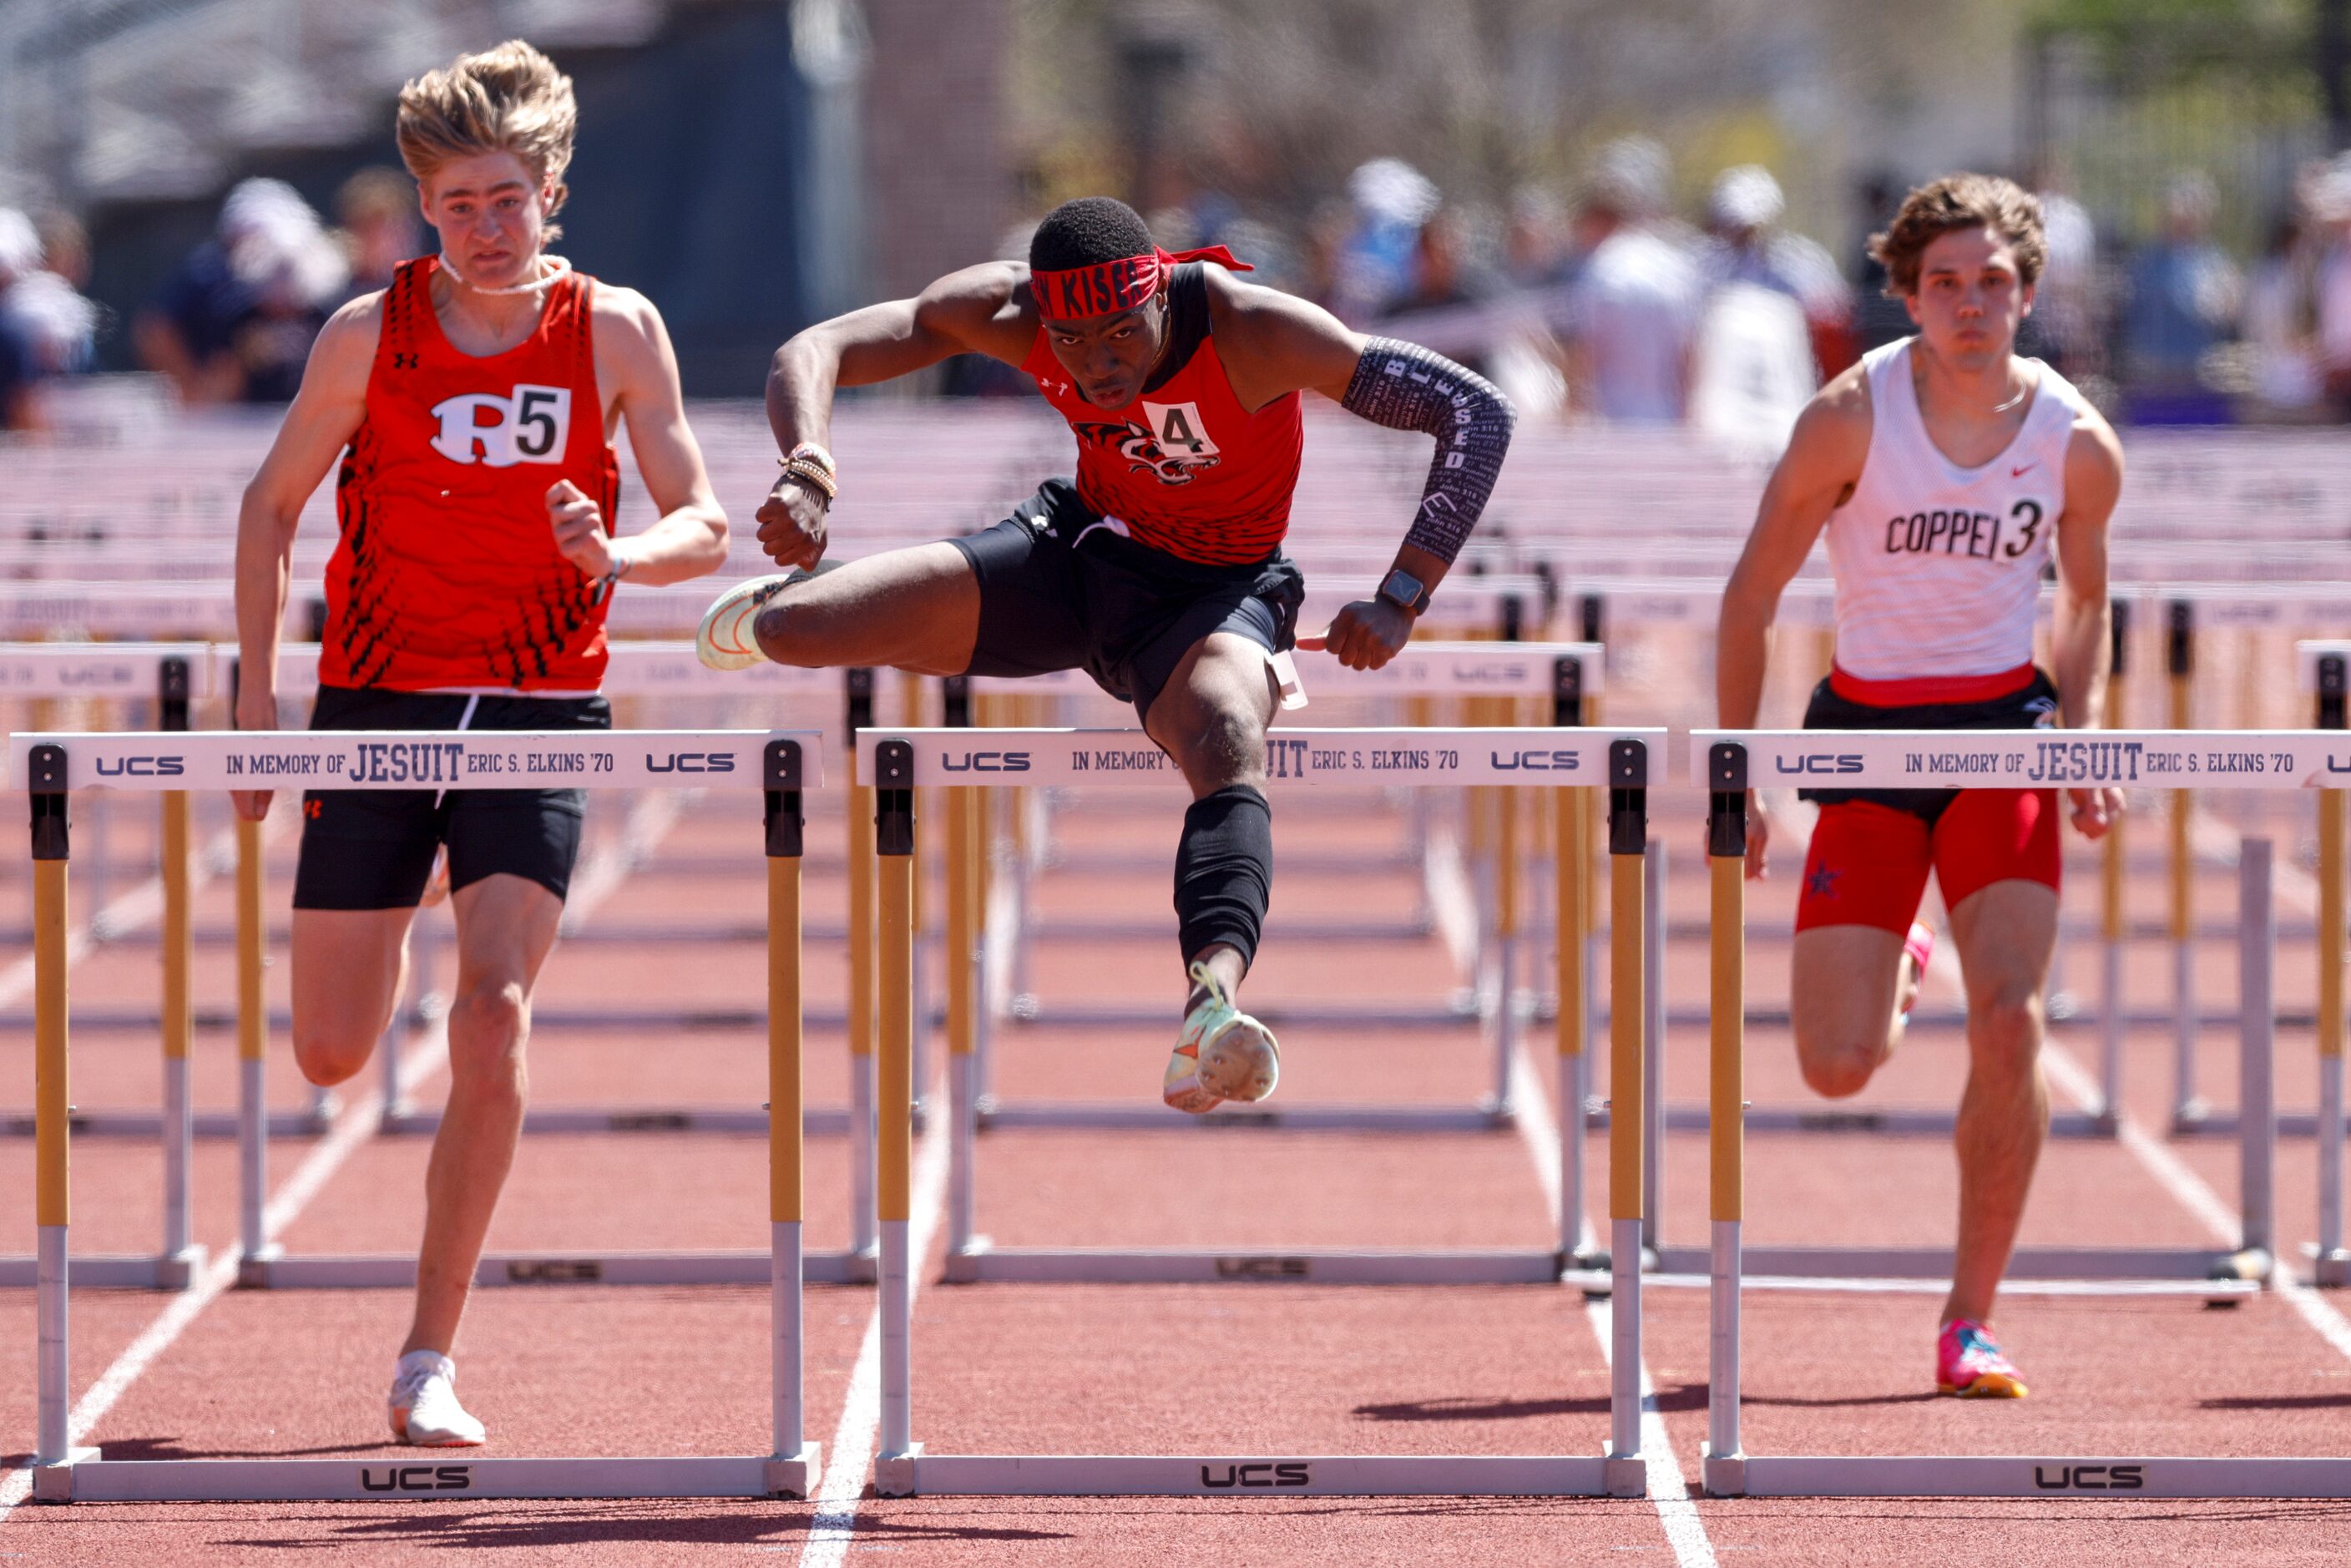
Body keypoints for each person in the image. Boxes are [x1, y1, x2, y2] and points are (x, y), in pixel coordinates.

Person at [698, 195, 1515, 1114]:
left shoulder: (1252, 329)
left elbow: (1474, 414)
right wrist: (806, 464)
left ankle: (1211, 1006)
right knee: (792, 633)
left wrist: (1403, 592)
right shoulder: (1010, 312)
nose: (1098, 363)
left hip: (1218, 594)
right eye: (1073, 343)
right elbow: (812, 350)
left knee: (1223, 728)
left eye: (1121, 334)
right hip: (1077, 554)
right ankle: (822, 596)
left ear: (1159, 291)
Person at [232, 40, 728, 1447]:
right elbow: (270, 509)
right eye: (457, 204)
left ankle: (425, 1356)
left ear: (551, 191)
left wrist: (619, 548)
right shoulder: (363, 335)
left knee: (493, 1013)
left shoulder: (615, 330)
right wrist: (258, 704)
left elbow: (707, 519)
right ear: (420, 210)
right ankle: (400, 901)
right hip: (377, 705)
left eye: (507, 199)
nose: (486, 227)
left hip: (533, 708)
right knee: (332, 1052)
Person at [1716, 173, 2124, 1399]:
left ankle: (1969, 1317)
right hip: (1868, 747)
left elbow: (2088, 598)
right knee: (1836, 1067)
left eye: (1991, 282)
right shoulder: (1848, 418)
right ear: (1906, 295)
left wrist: (2086, 730)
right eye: (1943, 283)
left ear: (2027, 294)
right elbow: (1751, 593)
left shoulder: (2077, 443)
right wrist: (1735, 770)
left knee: (2014, 1018)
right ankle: (1902, 956)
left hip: (2004, 736)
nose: (1969, 304)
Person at [138, 177, 348, 405]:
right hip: (239, 423)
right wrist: (192, 389)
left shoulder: (323, 308)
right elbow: (155, 329)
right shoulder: (218, 289)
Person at [1560, 139, 1700, 424]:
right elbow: (1690, 352)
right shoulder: (1676, 267)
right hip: (1666, 420)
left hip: (1612, 424)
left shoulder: (1600, 268)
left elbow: (1584, 351)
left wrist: (1571, 415)